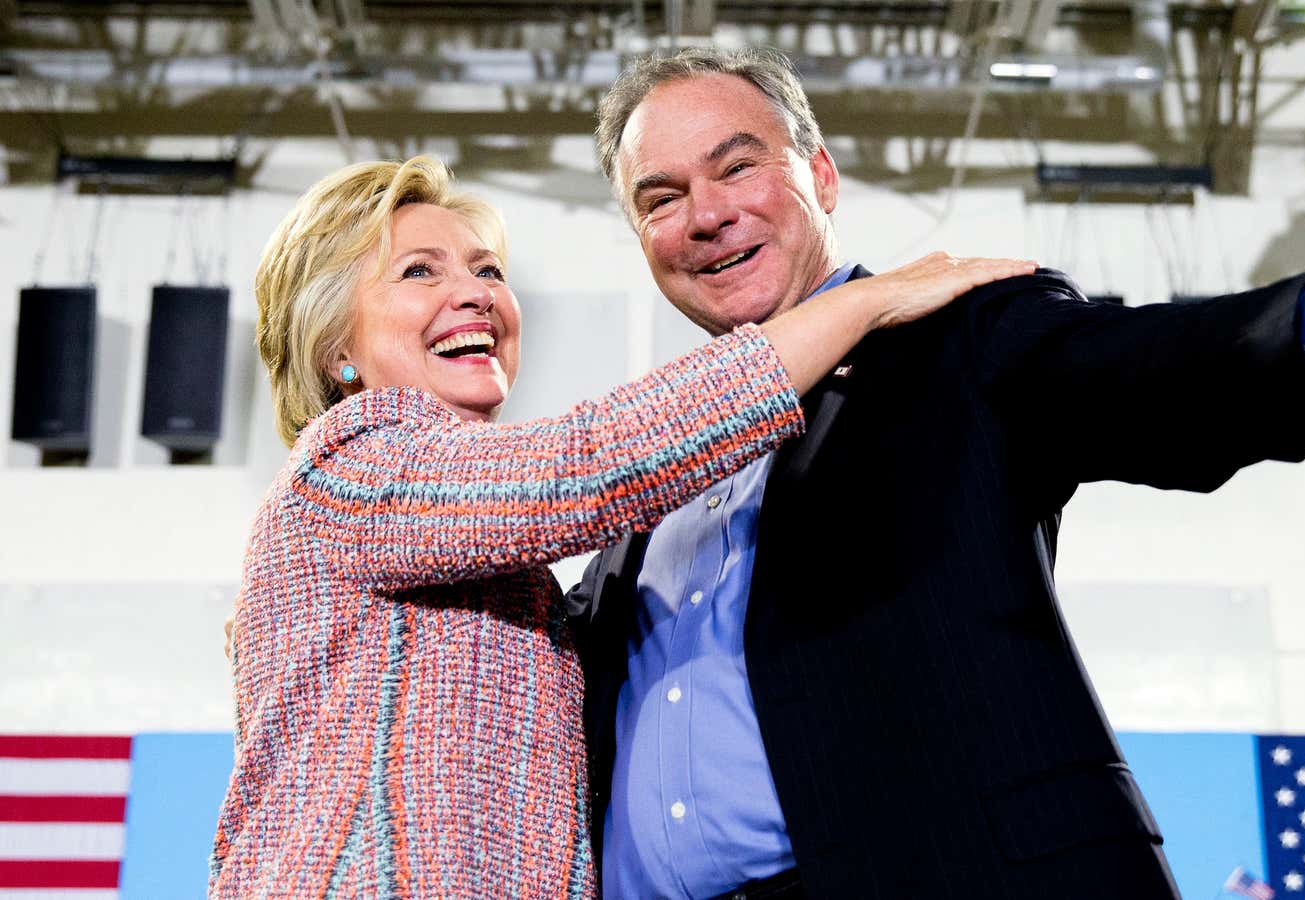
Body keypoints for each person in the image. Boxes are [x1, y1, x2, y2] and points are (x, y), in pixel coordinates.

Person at [568, 47, 1305, 900]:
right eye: (661, 198)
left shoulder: (957, 334)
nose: (704, 214)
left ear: (820, 175)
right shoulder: (642, 470)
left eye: (735, 167)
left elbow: (1148, 372)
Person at [209, 154, 1032, 897]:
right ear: (334, 349)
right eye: (419, 271)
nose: (476, 293)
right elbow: (591, 464)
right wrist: (866, 301)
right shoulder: (350, 464)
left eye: (487, 268)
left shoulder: (482, 549)